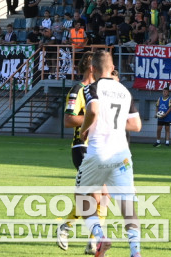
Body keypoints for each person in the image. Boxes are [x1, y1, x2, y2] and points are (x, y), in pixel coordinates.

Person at [75, 49, 142, 257]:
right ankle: (135, 252)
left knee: (81, 197)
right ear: (113, 68)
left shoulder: (91, 88)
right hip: (122, 153)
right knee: (128, 205)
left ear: (92, 69)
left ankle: (100, 236)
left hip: (98, 153)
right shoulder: (124, 91)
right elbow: (136, 125)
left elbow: (93, 111)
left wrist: (85, 129)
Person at [57, 52, 104, 253]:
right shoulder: (78, 90)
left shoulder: (98, 91)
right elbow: (68, 120)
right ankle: (68, 227)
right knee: (95, 195)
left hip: (99, 148)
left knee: (102, 196)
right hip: (82, 147)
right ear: (91, 68)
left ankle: (91, 240)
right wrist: (93, 119)